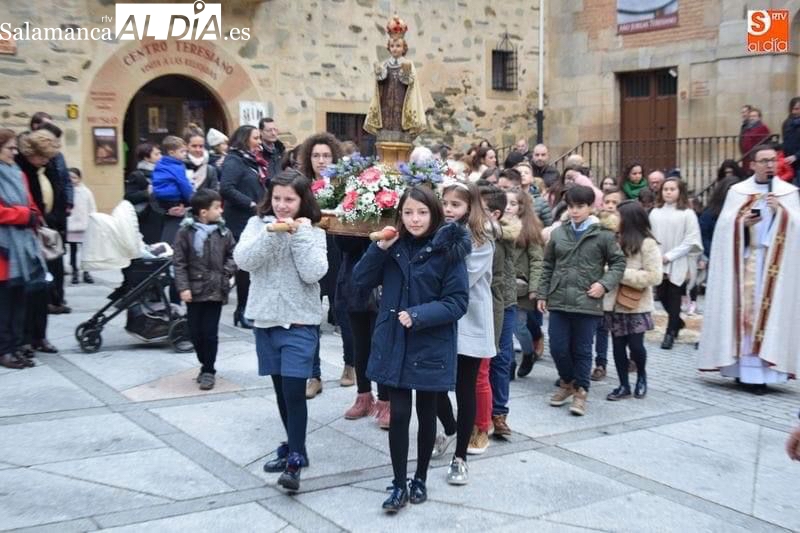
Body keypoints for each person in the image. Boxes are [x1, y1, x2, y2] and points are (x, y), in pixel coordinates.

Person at [352, 185, 469, 513]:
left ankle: (420, 478)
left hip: (430, 342)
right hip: (395, 342)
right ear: (399, 215)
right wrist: (379, 248)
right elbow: (360, 280)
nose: (415, 219)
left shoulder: (448, 250)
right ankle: (399, 482)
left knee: (427, 411)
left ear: (433, 213)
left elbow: (458, 302)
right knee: (399, 414)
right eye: (408, 212)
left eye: (421, 212)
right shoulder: (393, 245)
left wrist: (418, 315)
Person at [233, 169, 328, 491]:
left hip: (300, 322)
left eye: (290, 199)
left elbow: (314, 272)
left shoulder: (314, 232)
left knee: (294, 392)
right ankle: (294, 446)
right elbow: (244, 261)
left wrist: (298, 235)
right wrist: (272, 233)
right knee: (280, 392)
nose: (283, 206)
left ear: (303, 201)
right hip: (266, 320)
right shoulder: (256, 225)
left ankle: (295, 461)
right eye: (277, 199)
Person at [699, 145, 800, 393]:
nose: (769, 165)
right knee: (744, 316)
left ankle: (763, 374)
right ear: (752, 164)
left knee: (768, 316)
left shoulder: (788, 193)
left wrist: (781, 213)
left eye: (772, 161)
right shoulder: (738, 191)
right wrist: (742, 223)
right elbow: (724, 228)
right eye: (763, 161)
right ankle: (741, 369)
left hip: (775, 267)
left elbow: (796, 227)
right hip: (746, 261)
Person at [537, 185, 626, 416]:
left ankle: (581, 392)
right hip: (559, 299)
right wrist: (542, 293)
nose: (575, 211)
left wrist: (604, 284)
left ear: (591, 207)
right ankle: (567, 383)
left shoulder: (603, 234)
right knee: (557, 347)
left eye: (581, 206)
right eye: (571, 207)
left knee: (583, 349)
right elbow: (547, 265)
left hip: (587, 300)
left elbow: (618, 263)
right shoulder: (558, 233)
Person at [432, 181, 495, 485]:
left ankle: (460, 457)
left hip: (469, 321)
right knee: (432, 385)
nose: (448, 210)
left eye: (456, 205)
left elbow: (461, 278)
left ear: (470, 208)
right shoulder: (436, 232)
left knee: (465, 387)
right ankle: (451, 427)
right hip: (441, 321)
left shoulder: (481, 240)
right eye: (445, 203)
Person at [298, 132, 347, 399]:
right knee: (311, 314)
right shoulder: (301, 185)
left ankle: (350, 364)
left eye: (326, 155)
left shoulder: (345, 185)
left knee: (343, 309)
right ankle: (313, 375)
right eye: (316, 155)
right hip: (313, 251)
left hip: (340, 251)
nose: (321, 160)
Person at [173, 189, 236, 390]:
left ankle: (209, 370)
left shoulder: (224, 232)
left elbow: (234, 255)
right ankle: (203, 362)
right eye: (216, 207)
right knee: (195, 332)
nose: (220, 211)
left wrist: (225, 272)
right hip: (194, 290)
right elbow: (179, 262)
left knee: (210, 333)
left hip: (216, 290)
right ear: (203, 212)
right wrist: (183, 287)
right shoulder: (185, 232)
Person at [603, 201, 663, 400]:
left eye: (618, 216)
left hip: (636, 304)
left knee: (636, 346)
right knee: (618, 346)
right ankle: (623, 385)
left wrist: (621, 273)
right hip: (613, 302)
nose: (614, 219)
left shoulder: (647, 243)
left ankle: (642, 376)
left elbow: (655, 276)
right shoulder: (612, 239)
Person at [0, 128, 46, 369]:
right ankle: (4, 350)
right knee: (4, 303)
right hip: (4, 249)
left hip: (22, 245)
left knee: (20, 301)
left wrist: (33, 215)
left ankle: (17, 346)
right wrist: (22, 215)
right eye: (10, 148)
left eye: (15, 148)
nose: (14, 153)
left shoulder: (18, 173)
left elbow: (31, 205)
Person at [15, 129, 61, 354]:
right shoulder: (21, 169)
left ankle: (40, 336)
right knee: (28, 290)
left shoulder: (43, 167)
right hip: (25, 233)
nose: (46, 161)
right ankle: (25, 337)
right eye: (43, 157)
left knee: (42, 288)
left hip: (43, 230)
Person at [478, 184, 518, 435]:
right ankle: (481, 411)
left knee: (501, 358)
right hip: (482, 302)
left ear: (496, 214)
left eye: (479, 209)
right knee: (482, 362)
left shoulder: (501, 236)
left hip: (503, 301)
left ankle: (499, 412)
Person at [649, 177, 702, 350]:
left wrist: (670, 256)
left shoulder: (687, 213)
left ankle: (670, 333)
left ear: (680, 192)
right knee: (662, 294)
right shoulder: (655, 212)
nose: (668, 192)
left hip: (679, 260)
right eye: (666, 189)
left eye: (672, 189)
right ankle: (677, 321)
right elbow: (650, 235)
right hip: (659, 258)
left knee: (674, 295)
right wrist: (656, 254)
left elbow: (691, 239)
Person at [220, 125, 265, 329]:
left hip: (253, 220)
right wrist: (251, 203)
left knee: (251, 269)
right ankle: (242, 310)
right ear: (245, 138)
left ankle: (247, 309)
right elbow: (226, 188)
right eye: (256, 138)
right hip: (239, 221)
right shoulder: (234, 160)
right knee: (244, 269)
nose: (259, 142)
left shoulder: (250, 160)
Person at [363, 16, 427, 142]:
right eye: (392, 46)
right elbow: (380, 83)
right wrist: (379, 74)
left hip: (401, 101)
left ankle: (402, 134)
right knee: (386, 120)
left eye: (398, 46)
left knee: (399, 122)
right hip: (387, 102)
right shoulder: (385, 64)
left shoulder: (408, 64)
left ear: (404, 48)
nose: (395, 48)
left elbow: (410, 84)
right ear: (389, 47)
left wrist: (406, 74)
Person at [507, 188, 544, 379]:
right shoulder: (497, 225)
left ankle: (529, 353)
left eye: (513, 204)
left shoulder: (529, 229)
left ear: (522, 207)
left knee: (519, 327)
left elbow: (537, 260)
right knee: (505, 329)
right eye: (506, 203)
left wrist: (535, 287)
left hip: (521, 286)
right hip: (502, 286)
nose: (509, 207)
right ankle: (509, 363)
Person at [152, 136, 192, 244]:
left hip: (162, 200)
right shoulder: (177, 166)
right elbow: (183, 184)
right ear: (171, 152)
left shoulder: (160, 164)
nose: (185, 154)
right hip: (175, 198)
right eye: (182, 151)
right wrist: (191, 198)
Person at [124, 142, 162, 244]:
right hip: (147, 219)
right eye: (156, 154)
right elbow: (128, 196)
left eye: (160, 153)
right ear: (146, 157)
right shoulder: (137, 175)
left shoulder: (163, 172)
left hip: (162, 217)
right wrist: (146, 193)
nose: (160, 157)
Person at [65, 168, 96, 284]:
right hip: (71, 224)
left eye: (74, 177)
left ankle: (86, 272)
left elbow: (92, 207)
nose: (72, 180)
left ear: (79, 178)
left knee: (86, 251)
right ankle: (74, 272)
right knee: (73, 250)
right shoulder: (66, 191)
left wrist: (93, 219)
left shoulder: (86, 191)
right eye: (70, 178)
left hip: (85, 224)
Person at [514, 161, 552, 226]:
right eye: (520, 173)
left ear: (532, 178)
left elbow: (548, 224)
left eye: (526, 173)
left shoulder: (541, 201)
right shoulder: (510, 197)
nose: (523, 175)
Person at [184, 126, 220, 192]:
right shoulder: (180, 166)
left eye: (201, 146)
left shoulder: (210, 169)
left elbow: (215, 193)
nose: (198, 149)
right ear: (186, 146)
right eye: (194, 146)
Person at [781, 97, 800, 185]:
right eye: (794, 109)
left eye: (798, 109)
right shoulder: (787, 123)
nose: (796, 112)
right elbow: (785, 141)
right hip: (789, 164)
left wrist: (795, 156)